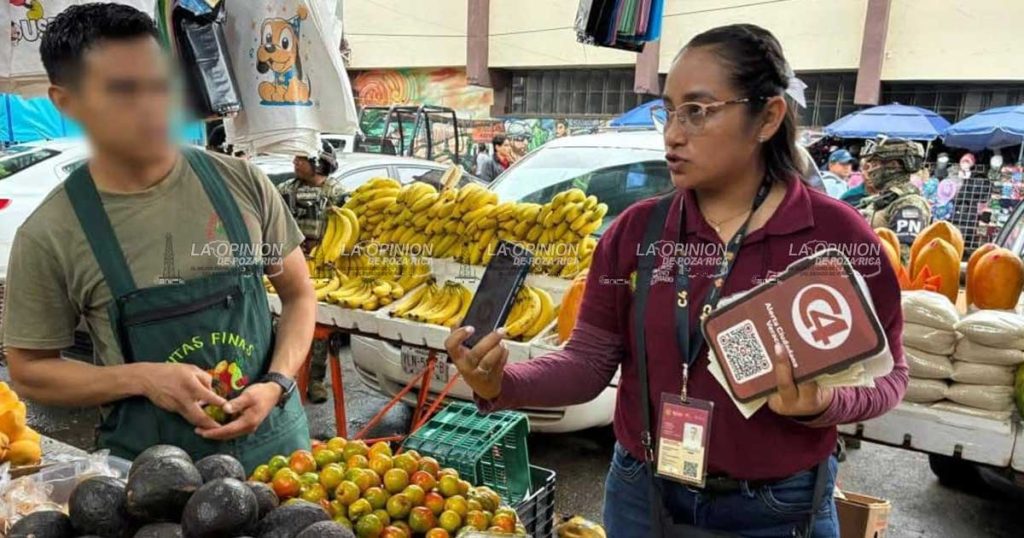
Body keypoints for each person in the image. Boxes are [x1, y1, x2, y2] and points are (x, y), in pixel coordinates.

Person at [445, 24, 906, 537]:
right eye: (669, 111)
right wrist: (501, 383)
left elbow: (889, 377)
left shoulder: (835, 238)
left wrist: (823, 405)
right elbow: (589, 362)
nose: (673, 134)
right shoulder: (636, 233)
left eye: (698, 111)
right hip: (643, 498)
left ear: (768, 117)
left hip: (778, 508)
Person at [1, 4, 315, 470]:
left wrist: (277, 382)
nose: (151, 105)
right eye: (122, 90)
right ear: (66, 102)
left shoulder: (242, 184)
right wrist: (143, 378)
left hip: (281, 460)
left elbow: (299, 295)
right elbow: (30, 370)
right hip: (153, 484)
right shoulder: (52, 233)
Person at [277, 150, 344, 403]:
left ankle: (315, 380)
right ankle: (285, 375)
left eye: (301, 159)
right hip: (292, 263)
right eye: (294, 157)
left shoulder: (336, 193)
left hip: (324, 264)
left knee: (318, 326)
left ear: (319, 164)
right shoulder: (286, 189)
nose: (295, 162)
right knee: (284, 321)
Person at [855, 137, 931, 257]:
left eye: (874, 164)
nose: (869, 172)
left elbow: (903, 256)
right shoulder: (882, 199)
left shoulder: (909, 204)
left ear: (893, 165)